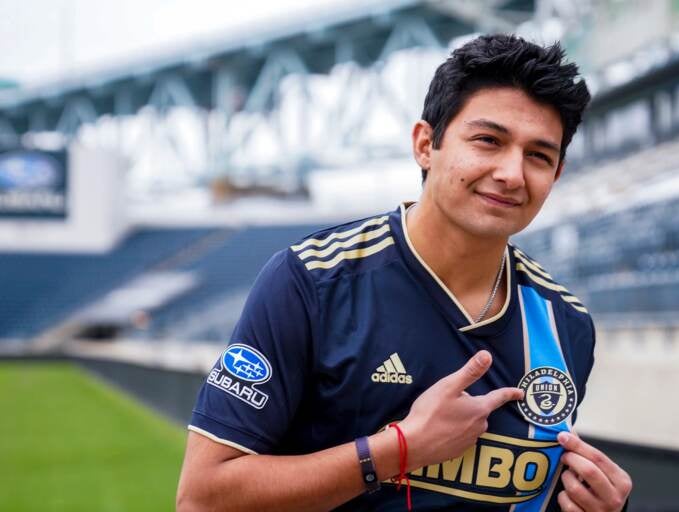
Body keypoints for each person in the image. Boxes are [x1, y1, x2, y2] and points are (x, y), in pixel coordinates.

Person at [177, 34, 632, 512]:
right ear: (425, 145)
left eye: (538, 156)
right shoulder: (311, 281)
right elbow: (202, 499)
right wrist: (399, 450)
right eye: (488, 141)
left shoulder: (566, 324)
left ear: (556, 175)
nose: (512, 173)